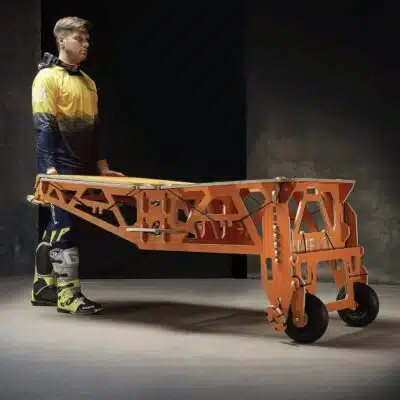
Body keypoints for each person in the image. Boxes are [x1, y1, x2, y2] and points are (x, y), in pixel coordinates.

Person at [31, 16, 124, 314]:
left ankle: (43, 286)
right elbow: (43, 126)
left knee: (59, 225)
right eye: (78, 39)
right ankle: (68, 296)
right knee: (65, 227)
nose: (85, 45)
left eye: (87, 40)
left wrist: (102, 166)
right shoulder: (46, 78)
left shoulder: (88, 83)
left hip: (83, 166)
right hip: (60, 166)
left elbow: (95, 129)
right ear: (62, 40)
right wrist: (49, 169)